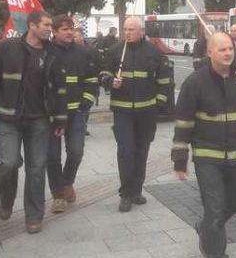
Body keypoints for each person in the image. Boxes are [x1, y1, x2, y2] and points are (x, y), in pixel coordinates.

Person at [172, 32, 236, 258]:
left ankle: (206, 228)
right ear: (209, 53)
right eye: (222, 49)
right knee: (214, 208)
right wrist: (180, 160)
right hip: (207, 157)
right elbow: (183, 124)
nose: (228, 53)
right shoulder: (195, 83)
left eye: (230, 49)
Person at [0, 10, 67, 234]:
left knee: (37, 169)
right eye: (46, 25)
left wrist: (60, 120)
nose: (49, 28)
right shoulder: (7, 48)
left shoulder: (53, 53)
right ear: (32, 26)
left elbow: (60, 90)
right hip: (9, 118)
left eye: (50, 25)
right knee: (9, 164)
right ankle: (6, 200)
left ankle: (34, 216)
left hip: (39, 121)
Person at [100, 16, 172, 212]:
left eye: (131, 29)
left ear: (141, 31)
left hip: (146, 111)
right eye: (125, 29)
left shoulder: (154, 52)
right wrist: (109, 81)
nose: (127, 33)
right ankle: (125, 194)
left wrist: (159, 104)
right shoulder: (115, 51)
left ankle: (136, 190)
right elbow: (103, 73)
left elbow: (165, 80)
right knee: (126, 151)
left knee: (141, 151)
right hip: (122, 111)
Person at [46, 15, 99, 214]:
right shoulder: (46, 52)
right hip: (51, 114)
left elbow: (92, 78)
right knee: (52, 157)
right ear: (54, 31)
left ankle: (67, 181)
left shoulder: (83, 53)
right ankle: (58, 195)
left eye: (71, 28)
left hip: (76, 111)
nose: (69, 32)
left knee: (76, 151)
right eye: (64, 29)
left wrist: (87, 98)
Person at [75, 27, 100, 137]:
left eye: (75, 36)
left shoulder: (91, 50)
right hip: (75, 87)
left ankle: (83, 126)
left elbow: (99, 65)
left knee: (85, 106)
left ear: (81, 37)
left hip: (89, 84)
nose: (73, 39)